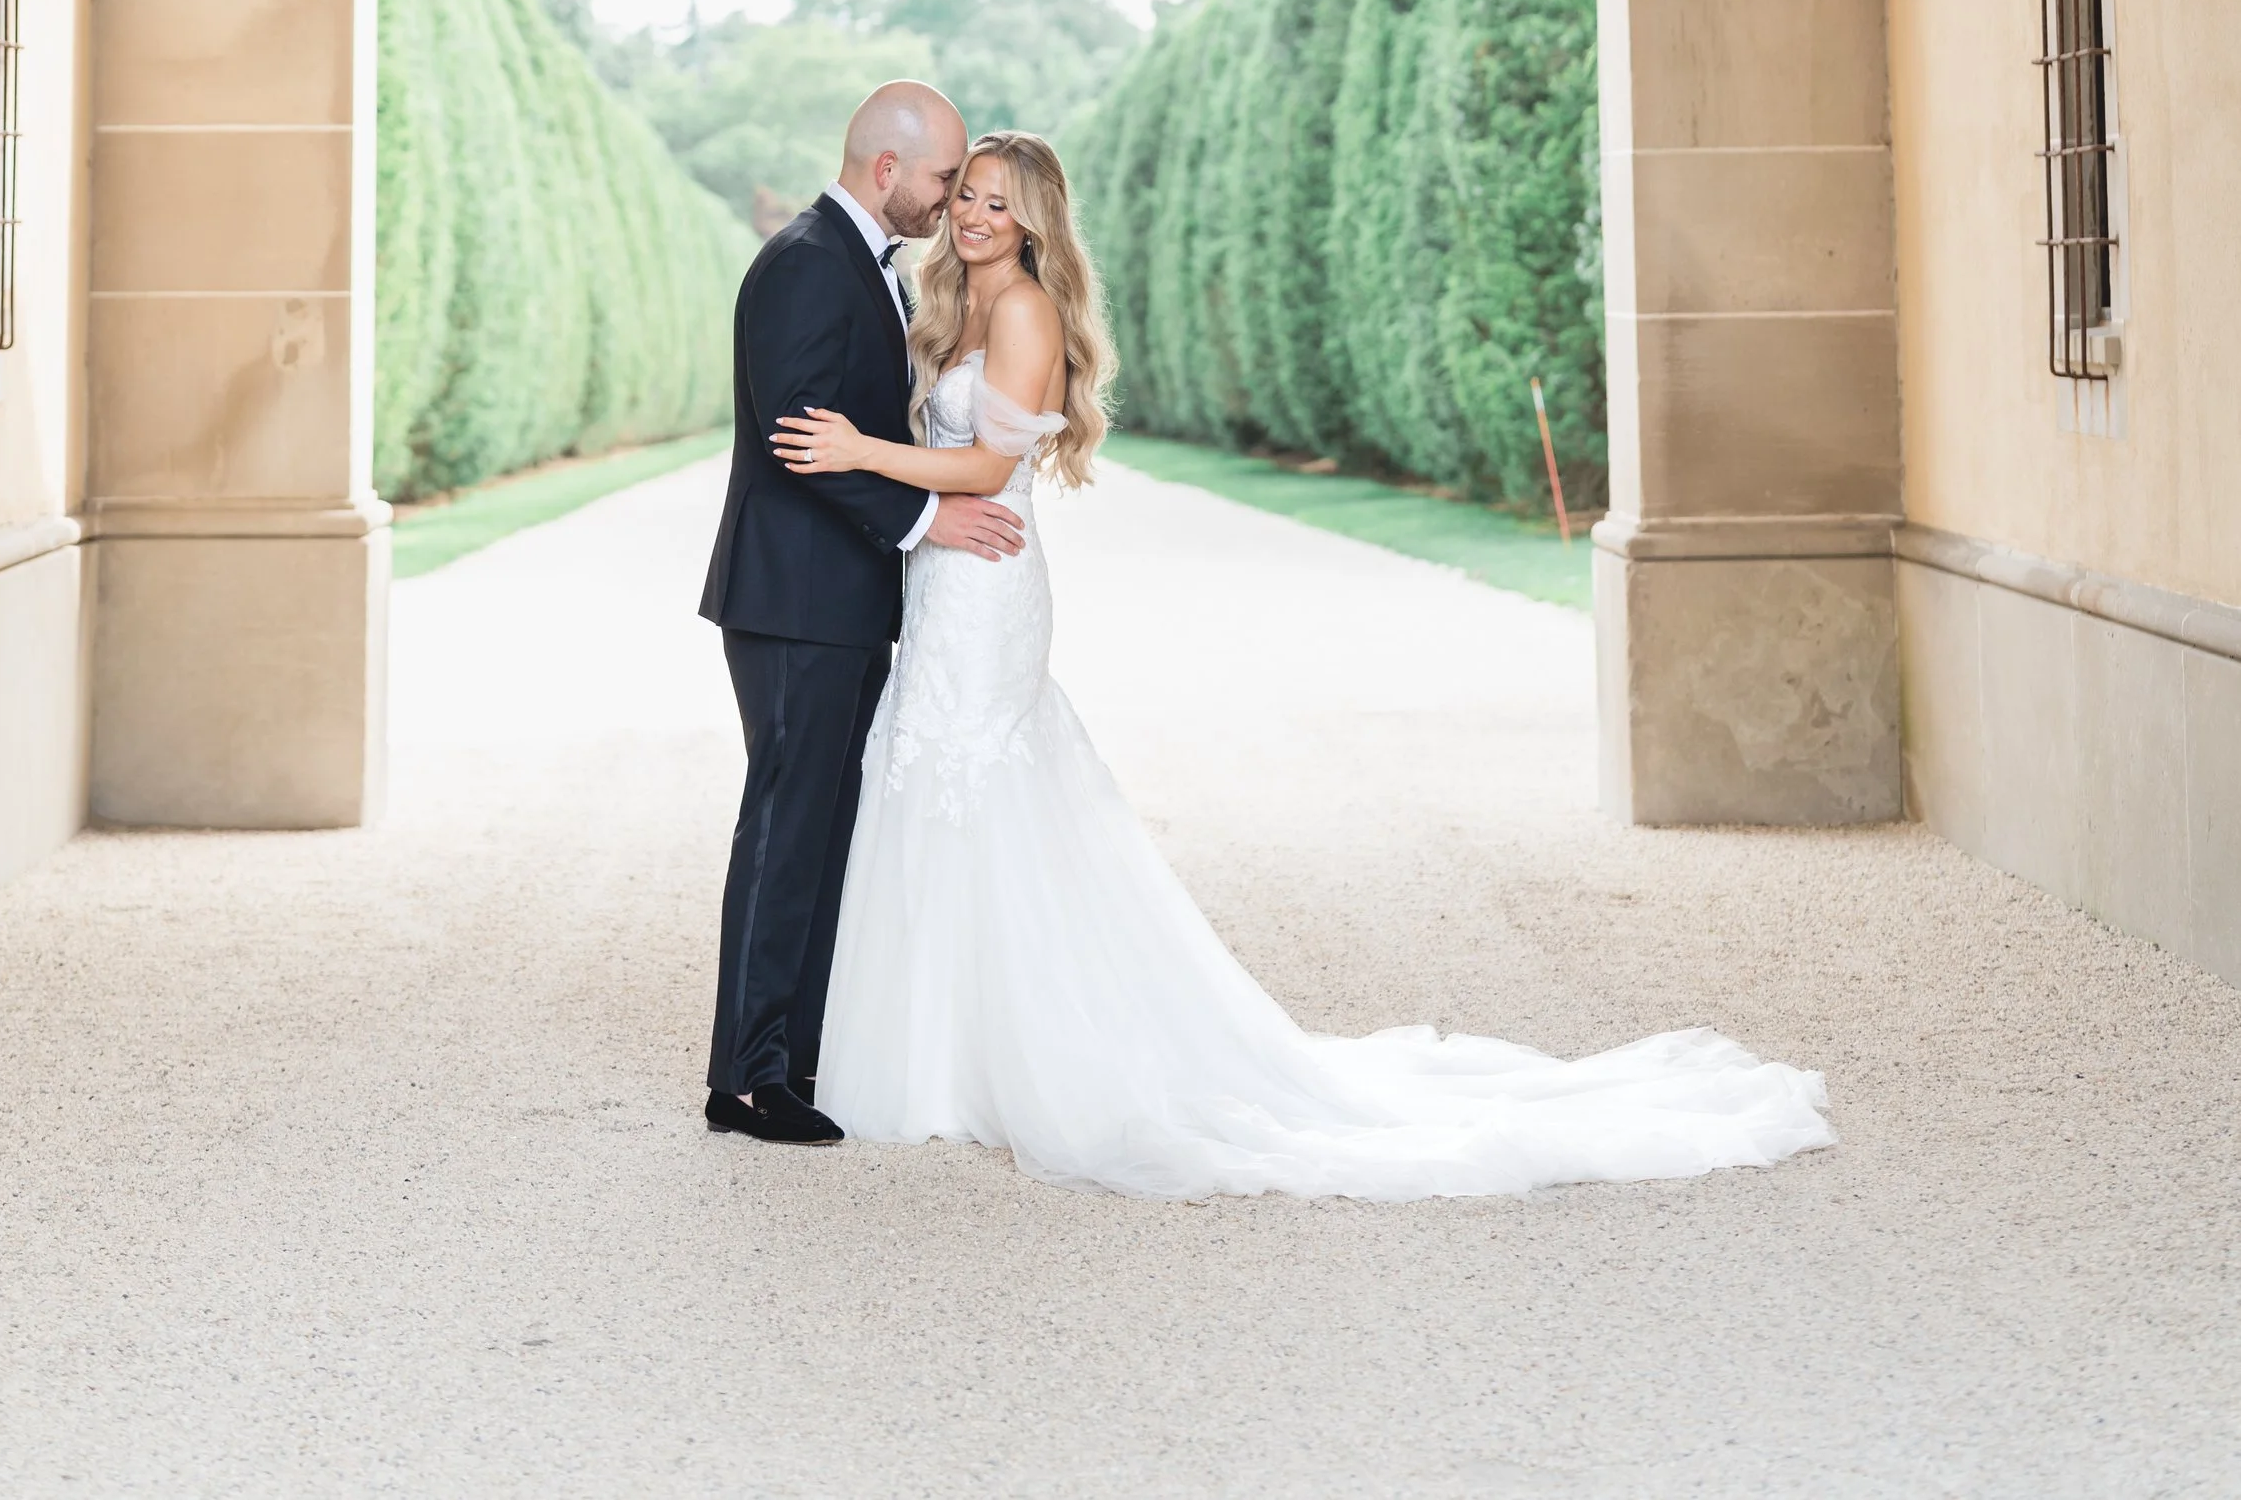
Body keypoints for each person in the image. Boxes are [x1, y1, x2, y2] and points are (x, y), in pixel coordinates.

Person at [774, 130, 1836, 1202]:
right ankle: (939, 1052)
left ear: (1036, 221)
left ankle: (1007, 1063)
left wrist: (862, 455)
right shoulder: (952, 301)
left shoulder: (1023, 310)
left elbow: (988, 464)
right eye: (969, 197)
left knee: (977, 782)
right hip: (946, 581)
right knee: (932, 784)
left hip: (988, 585)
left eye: (1001, 205)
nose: (975, 217)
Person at [698, 79, 1026, 1145]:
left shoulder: (865, 267)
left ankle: (789, 1058)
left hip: (834, 598)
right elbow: (803, 441)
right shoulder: (805, 264)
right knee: (788, 825)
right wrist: (925, 521)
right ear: (888, 170)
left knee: (822, 825)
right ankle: (747, 1081)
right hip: (796, 599)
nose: (947, 203)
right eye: (942, 179)